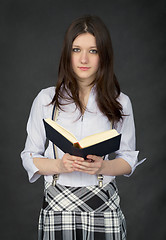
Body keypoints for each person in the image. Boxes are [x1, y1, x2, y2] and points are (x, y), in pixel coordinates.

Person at [21, 15, 144, 240]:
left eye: (93, 51)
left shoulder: (121, 102)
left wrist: (102, 168)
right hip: (58, 207)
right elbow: (29, 157)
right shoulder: (46, 100)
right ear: (67, 53)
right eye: (76, 49)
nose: (84, 59)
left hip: (104, 208)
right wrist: (60, 164)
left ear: (103, 55)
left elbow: (128, 159)